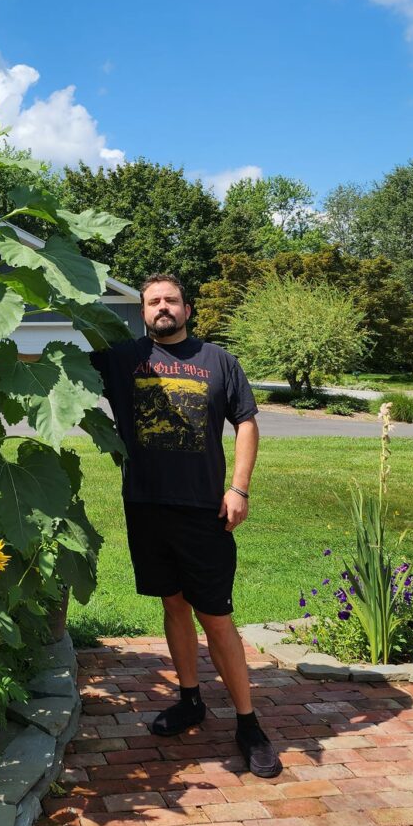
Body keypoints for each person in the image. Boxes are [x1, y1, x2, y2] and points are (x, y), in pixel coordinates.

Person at [90, 272, 281, 779]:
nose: (161, 308)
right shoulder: (123, 360)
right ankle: (191, 699)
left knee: (215, 614)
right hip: (146, 506)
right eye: (153, 302)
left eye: (170, 300)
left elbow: (246, 421)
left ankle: (248, 723)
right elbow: (57, 370)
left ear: (187, 309)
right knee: (172, 603)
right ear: (143, 312)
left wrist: (238, 488)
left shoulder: (219, 361)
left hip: (204, 510)